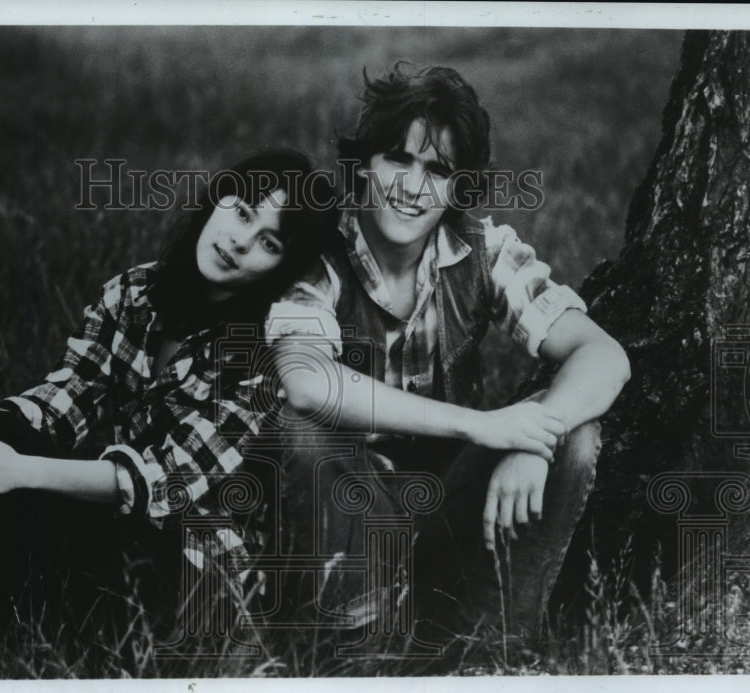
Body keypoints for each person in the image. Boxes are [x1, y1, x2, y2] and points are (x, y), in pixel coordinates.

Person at [265, 65, 631, 650]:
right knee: (303, 429)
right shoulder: (320, 252)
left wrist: (533, 440)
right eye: (397, 160)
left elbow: (604, 354)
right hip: (353, 516)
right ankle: (358, 653)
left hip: (450, 506)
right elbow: (306, 382)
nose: (413, 186)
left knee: (574, 432)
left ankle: (487, 643)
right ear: (364, 164)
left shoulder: (482, 251)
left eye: (437, 170)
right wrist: (484, 426)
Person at [0, 149, 335, 654]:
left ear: (281, 267)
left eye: (268, 242)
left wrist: (23, 471)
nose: (239, 241)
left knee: (43, 504)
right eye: (242, 211)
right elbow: (63, 397)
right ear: (218, 198)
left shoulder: (263, 358)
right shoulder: (134, 293)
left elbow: (163, 479)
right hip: (119, 521)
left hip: (191, 573)